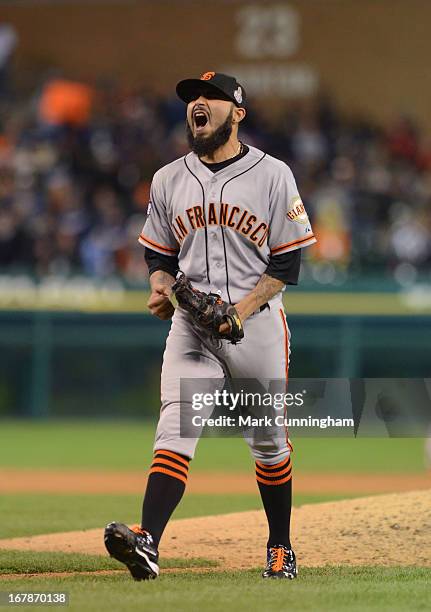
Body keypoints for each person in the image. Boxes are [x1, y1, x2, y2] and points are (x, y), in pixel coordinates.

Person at [104, 72, 316, 580]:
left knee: (268, 443)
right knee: (176, 423)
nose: (197, 104)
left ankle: (281, 547)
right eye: (191, 99)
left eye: (211, 98)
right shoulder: (167, 179)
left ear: (238, 112)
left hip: (258, 326)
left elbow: (288, 266)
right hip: (192, 326)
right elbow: (158, 251)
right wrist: (159, 285)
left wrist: (237, 313)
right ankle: (148, 541)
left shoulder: (273, 175)